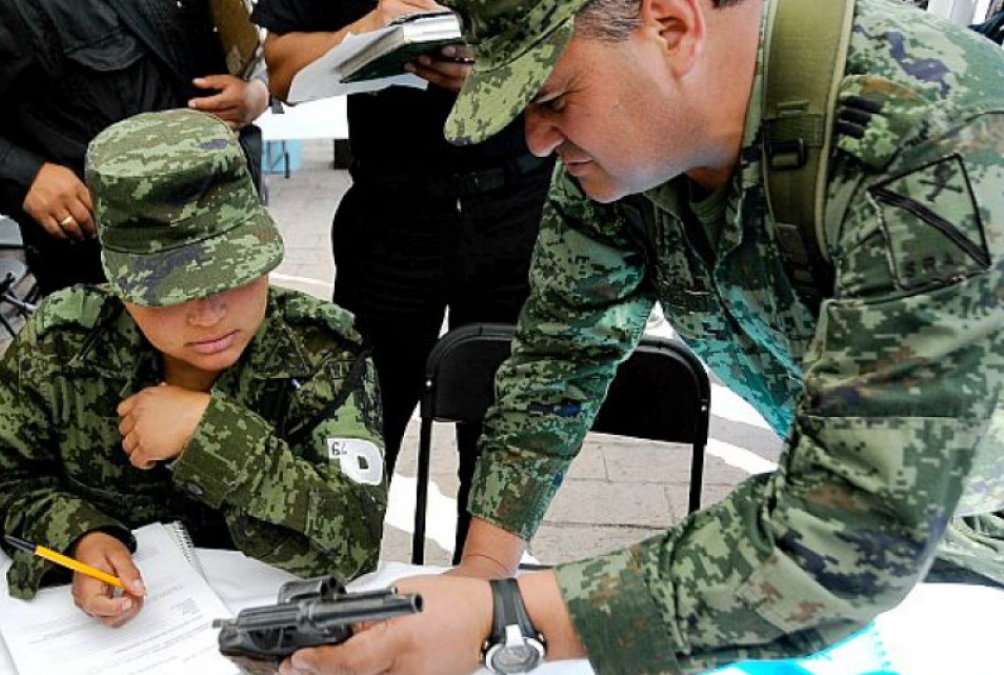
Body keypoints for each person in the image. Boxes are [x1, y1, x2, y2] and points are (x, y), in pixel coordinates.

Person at [278, 0, 1004, 673]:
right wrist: (480, 575)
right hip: (897, 557)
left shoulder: (934, 136)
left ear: (673, 28)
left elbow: (847, 527)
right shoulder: (631, 151)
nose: (535, 140)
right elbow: (559, 361)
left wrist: (502, 617)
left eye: (555, 99)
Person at [0, 109, 387, 626]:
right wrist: (82, 535)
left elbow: (354, 540)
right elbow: (5, 479)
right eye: (172, 289)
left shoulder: (319, 351)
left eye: (233, 273)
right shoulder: (63, 344)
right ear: (121, 283)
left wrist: (212, 435)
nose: (210, 311)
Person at [253, 0, 554, 559]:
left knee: (501, 440)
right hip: (390, 216)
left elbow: (620, 41)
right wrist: (365, 31)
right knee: (358, 430)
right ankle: (339, 594)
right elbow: (279, 71)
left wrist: (511, 67)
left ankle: (483, 599)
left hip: (517, 211)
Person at [0, 0, 270, 296]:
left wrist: (256, 93)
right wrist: (24, 176)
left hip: (229, 235)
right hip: (117, 267)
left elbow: (242, 42)